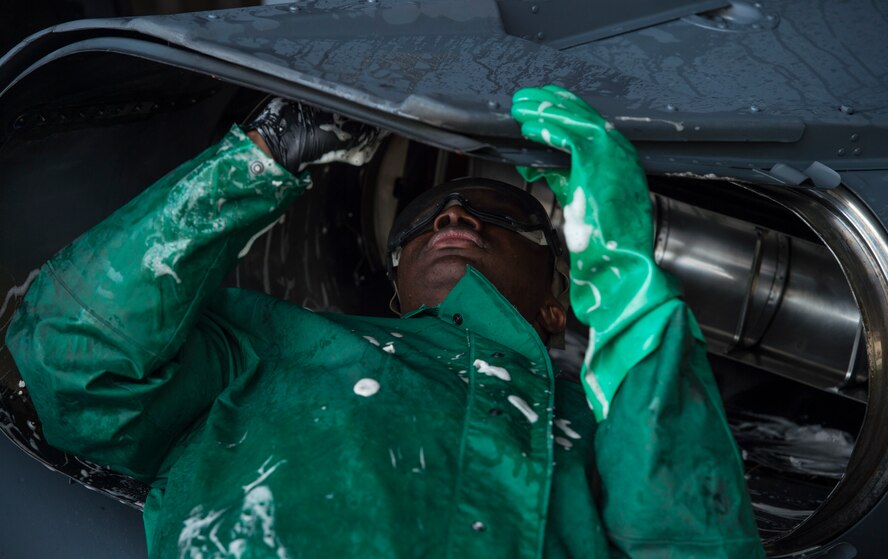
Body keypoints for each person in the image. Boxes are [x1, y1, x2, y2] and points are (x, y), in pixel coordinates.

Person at [6, 86, 764, 558]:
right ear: (396, 292)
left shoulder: (601, 434)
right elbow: (77, 359)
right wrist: (265, 156)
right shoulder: (268, 349)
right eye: (423, 220)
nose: (456, 211)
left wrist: (627, 284)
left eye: (500, 214)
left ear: (555, 300)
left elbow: (694, 544)